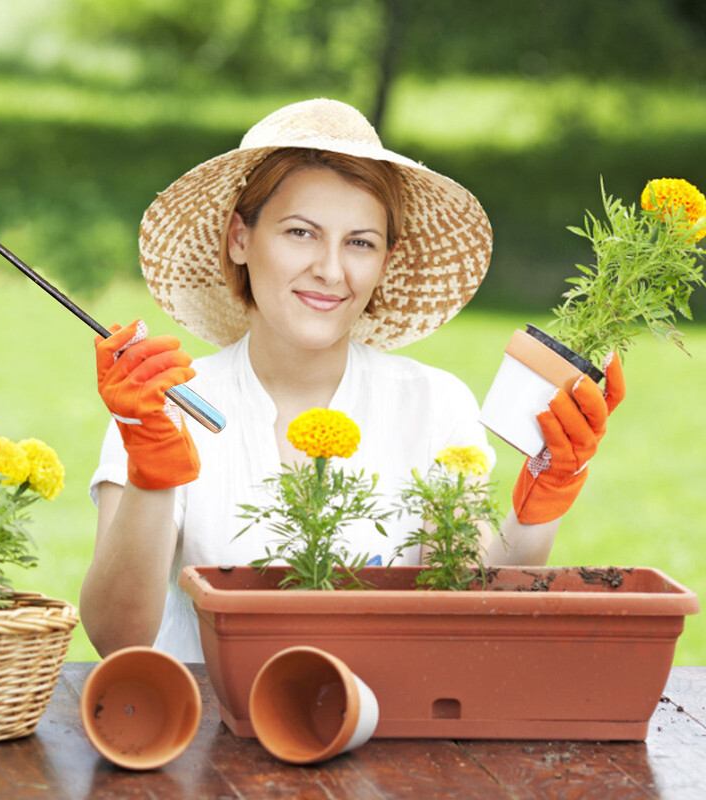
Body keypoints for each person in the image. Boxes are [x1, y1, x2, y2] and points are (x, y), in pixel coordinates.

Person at [80, 99, 625, 660]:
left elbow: (469, 611)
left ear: (387, 260)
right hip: (207, 728)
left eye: (360, 242)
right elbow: (117, 638)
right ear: (239, 238)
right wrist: (151, 467)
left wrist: (541, 502)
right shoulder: (160, 406)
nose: (331, 270)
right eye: (300, 232)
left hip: (389, 724)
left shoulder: (434, 404)